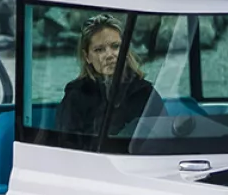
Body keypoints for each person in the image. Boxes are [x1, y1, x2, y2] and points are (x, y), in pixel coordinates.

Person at [55, 14, 162, 147]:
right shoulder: (76, 96)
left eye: (115, 46)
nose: (109, 55)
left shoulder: (144, 92)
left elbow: (163, 138)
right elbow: (66, 145)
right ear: (87, 56)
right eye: (99, 50)